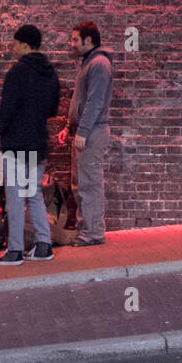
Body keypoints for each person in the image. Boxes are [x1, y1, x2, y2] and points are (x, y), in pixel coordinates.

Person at [0, 24, 60, 266]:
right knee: (33, 195)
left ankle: (14, 251)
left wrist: (4, 135)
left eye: (15, 43)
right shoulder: (50, 73)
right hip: (38, 143)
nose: (12, 47)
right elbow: (52, 109)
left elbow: (6, 111)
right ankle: (43, 245)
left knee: (14, 199)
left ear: (24, 44)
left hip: (16, 145)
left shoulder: (17, 72)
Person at [58, 20, 114, 246]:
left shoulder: (99, 64)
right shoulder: (88, 63)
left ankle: (93, 233)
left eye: (74, 39)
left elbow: (95, 102)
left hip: (92, 132)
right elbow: (80, 101)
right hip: (85, 131)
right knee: (80, 182)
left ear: (88, 40)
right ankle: (86, 229)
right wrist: (69, 128)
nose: (71, 44)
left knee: (89, 183)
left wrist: (82, 131)